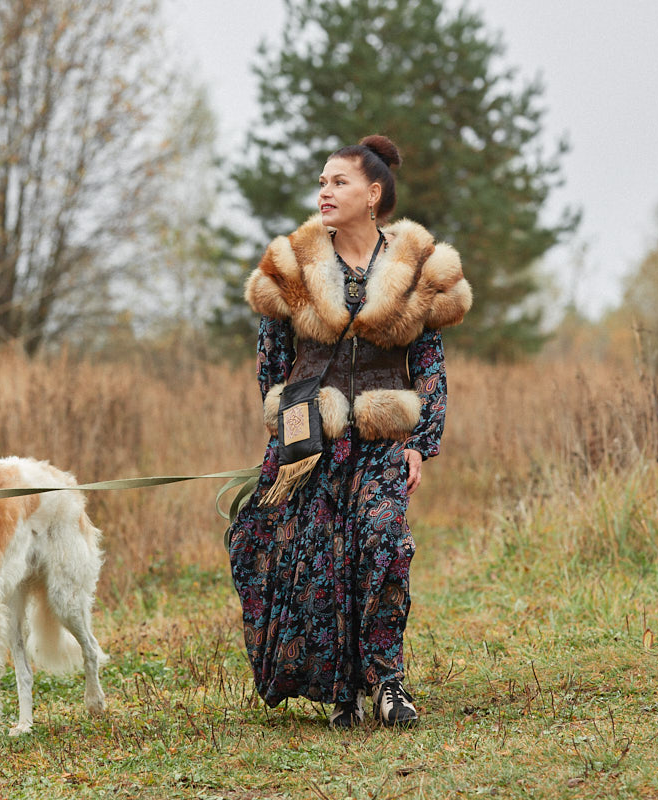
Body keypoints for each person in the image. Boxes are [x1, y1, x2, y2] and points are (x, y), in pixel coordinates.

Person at [227, 134, 471, 729]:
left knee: (385, 544)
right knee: (316, 560)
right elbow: (272, 362)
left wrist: (421, 443)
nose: (325, 191)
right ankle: (342, 691)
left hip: (386, 441)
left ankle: (388, 682)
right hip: (314, 441)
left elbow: (430, 365)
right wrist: (288, 440)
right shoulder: (294, 262)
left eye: (339, 182)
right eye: (322, 182)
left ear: (374, 193)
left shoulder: (415, 267)